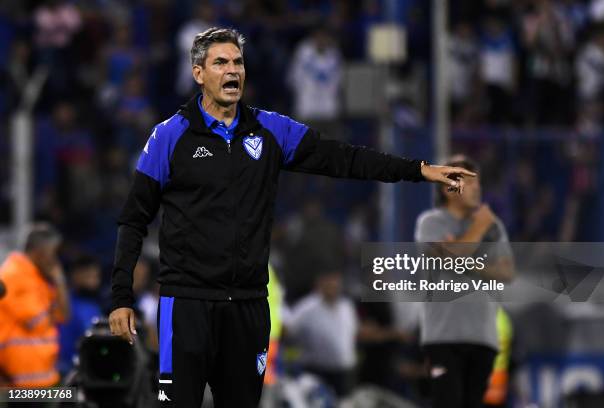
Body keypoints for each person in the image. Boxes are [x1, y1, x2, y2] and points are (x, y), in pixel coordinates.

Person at [109, 27, 476, 408]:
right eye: (221, 62)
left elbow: (345, 158)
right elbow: (133, 219)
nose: (232, 70)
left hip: (248, 308)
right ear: (198, 73)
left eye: (238, 62)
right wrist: (121, 297)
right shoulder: (170, 136)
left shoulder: (272, 130)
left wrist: (418, 169)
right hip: (186, 305)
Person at [414, 155, 514, 408]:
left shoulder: (496, 227)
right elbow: (455, 257)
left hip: (483, 335)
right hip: (443, 336)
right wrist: (478, 228)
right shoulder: (430, 223)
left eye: (477, 183)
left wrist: (460, 255)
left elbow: (506, 272)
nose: (476, 189)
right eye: (468, 183)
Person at [0, 223, 70, 389]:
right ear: (40, 251)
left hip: (39, 375)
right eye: (53, 252)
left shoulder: (37, 278)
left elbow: (63, 315)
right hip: (17, 377)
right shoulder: (14, 275)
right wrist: (51, 312)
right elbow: (36, 322)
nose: (55, 259)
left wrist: (59, 281)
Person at [284, 270, 357, 398]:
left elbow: (351, 334)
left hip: (343, 371)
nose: (332, 286)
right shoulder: (308, 307)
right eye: (328, 283)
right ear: (320, 284)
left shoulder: (346, 306)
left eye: (335, 283)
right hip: (316, 370)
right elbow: (288, 329)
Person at [58, 255, 102, 375]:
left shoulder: (95, 304)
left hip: (89, 368)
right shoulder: (65, 302)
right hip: (66, 369)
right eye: (88, 277)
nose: (94, 282)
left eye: (96, 277)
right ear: (75, 275)